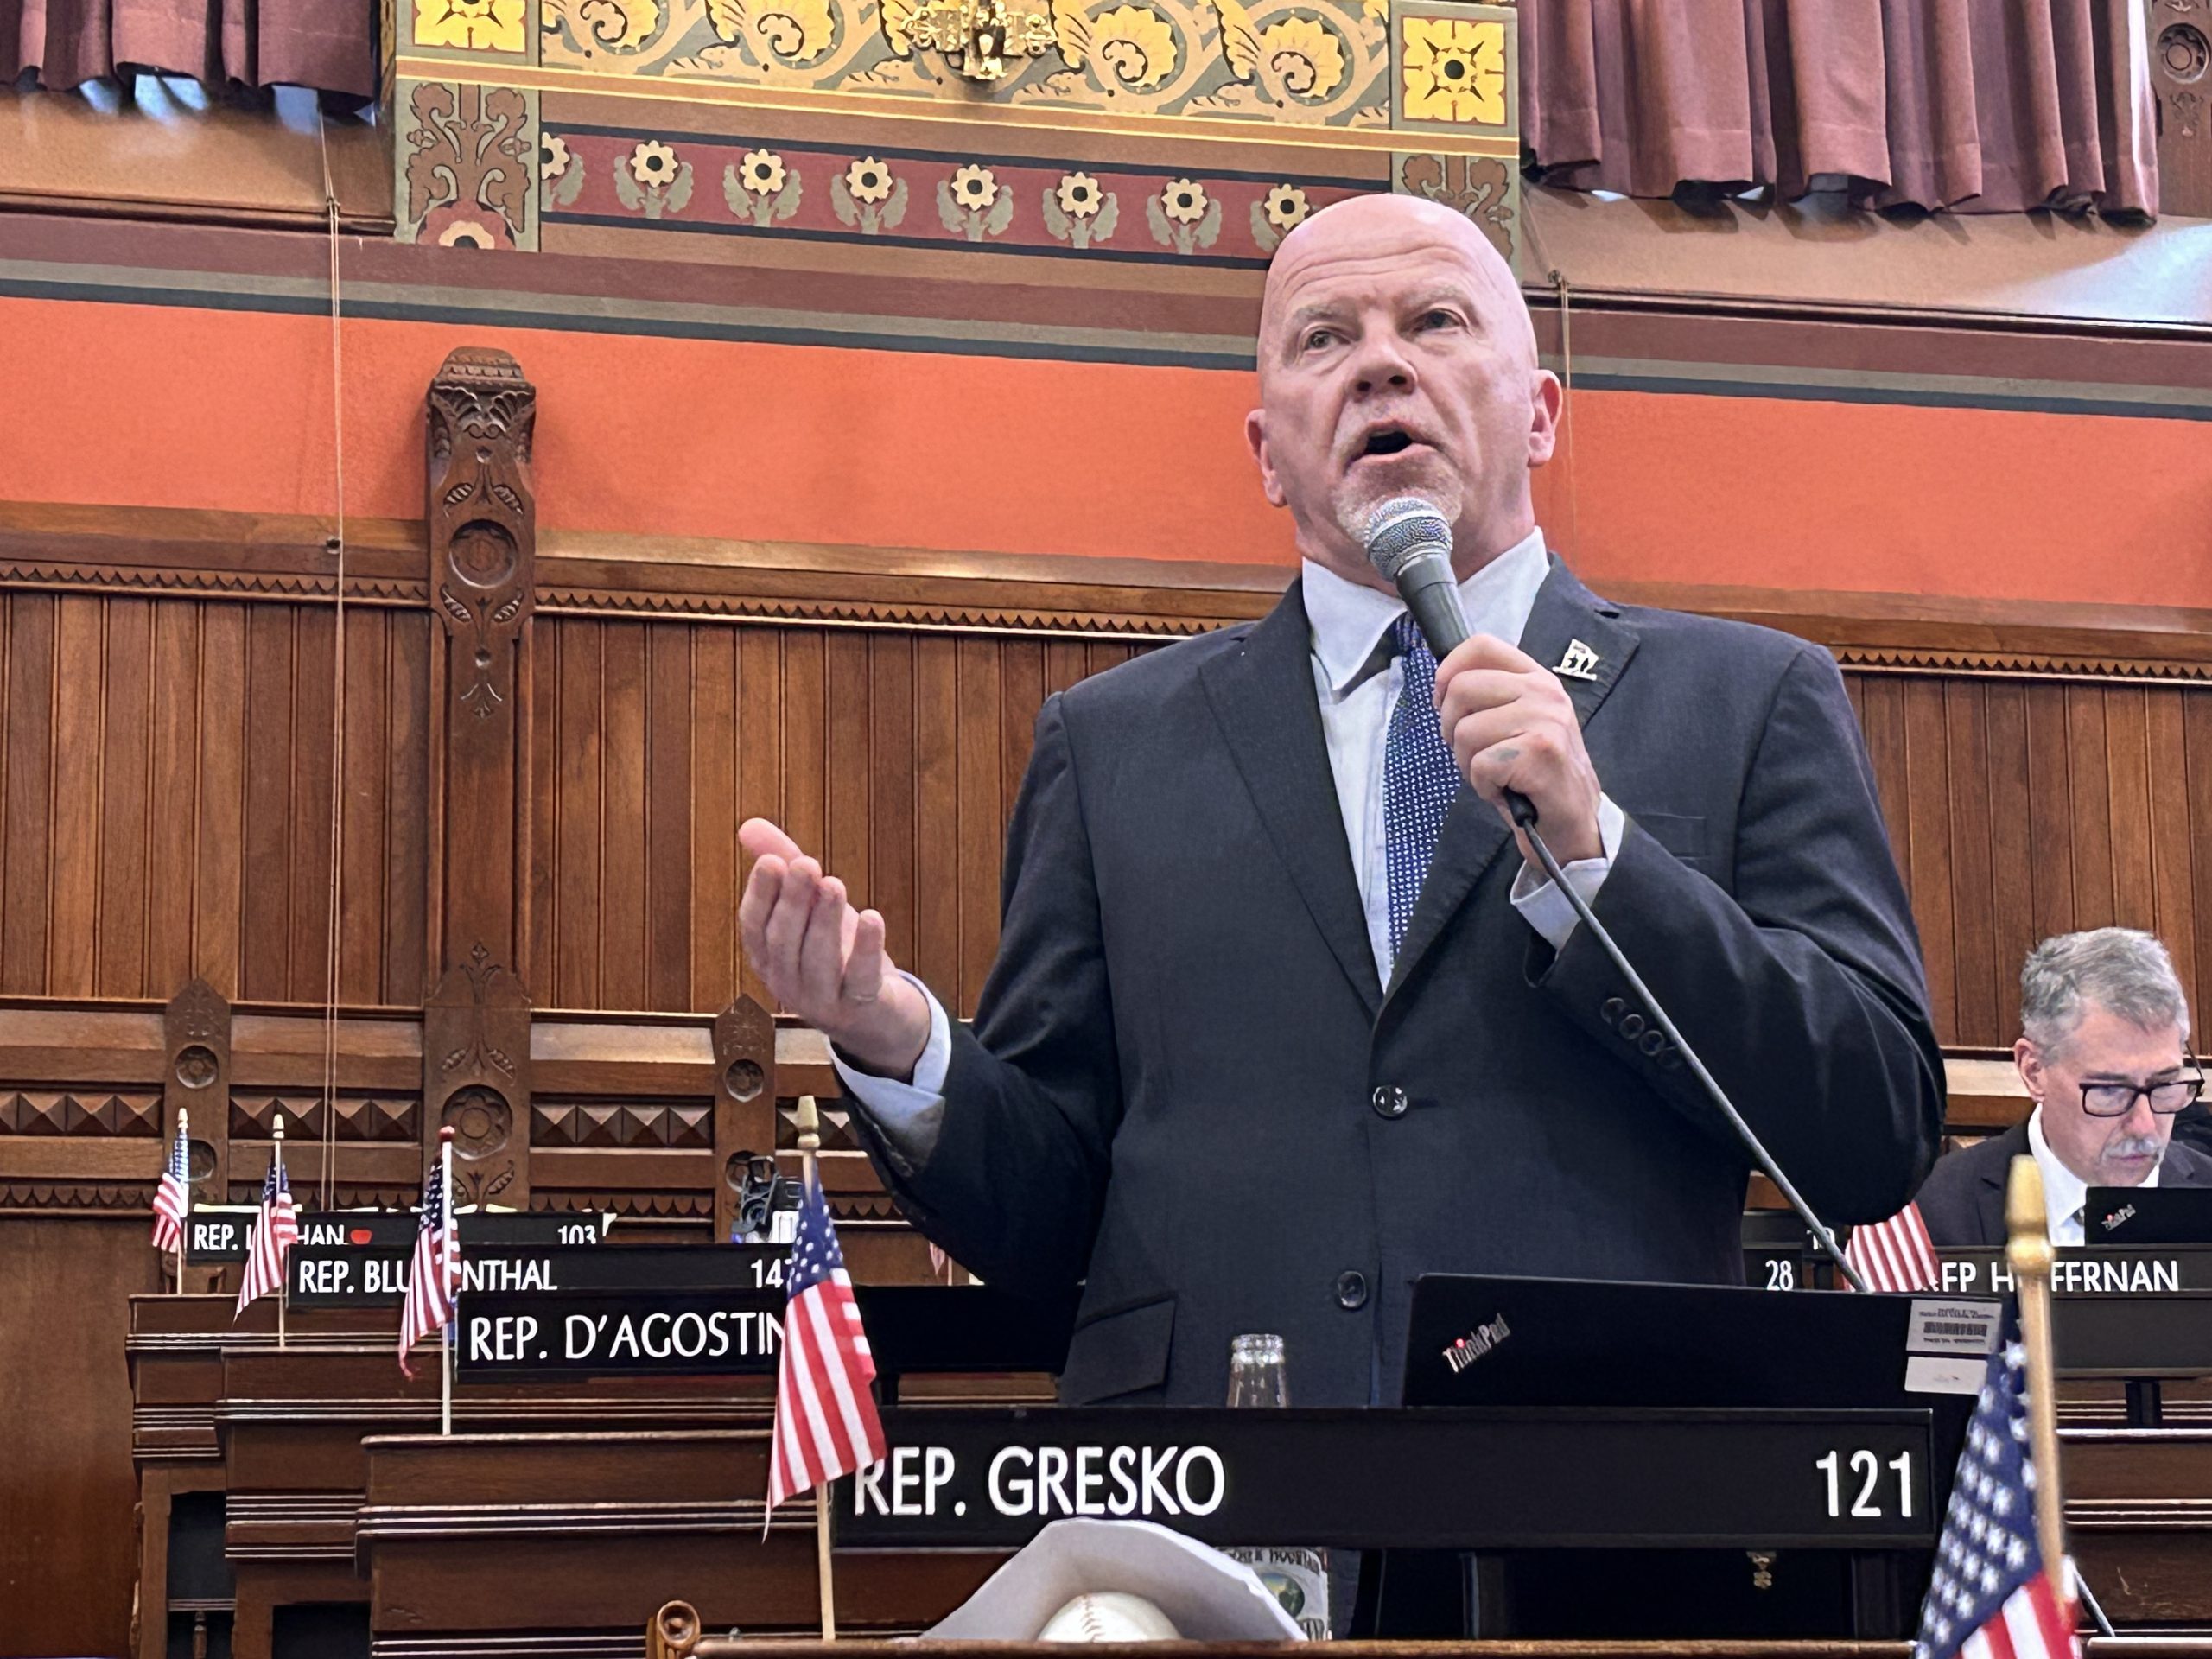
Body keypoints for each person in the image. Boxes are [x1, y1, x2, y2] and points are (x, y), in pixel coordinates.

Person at [737, 193, 1942, 1408]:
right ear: (1267, 452)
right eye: (1325, 338)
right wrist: (901, 1043)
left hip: (1594, 1496)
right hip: (1219, 1506)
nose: (1380, 365)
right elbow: (1058, 1228)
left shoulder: (1746, 700)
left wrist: (1600, 862)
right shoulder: (1113, 746)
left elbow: (1871, 1135)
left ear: (1540, 414)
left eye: (1434, 320)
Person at [1917, 928, 2210, 1248]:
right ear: (2034, 1071)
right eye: (2111, 1091)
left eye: (2164, 1084)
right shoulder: (1929, 1216)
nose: (2144, 1126)